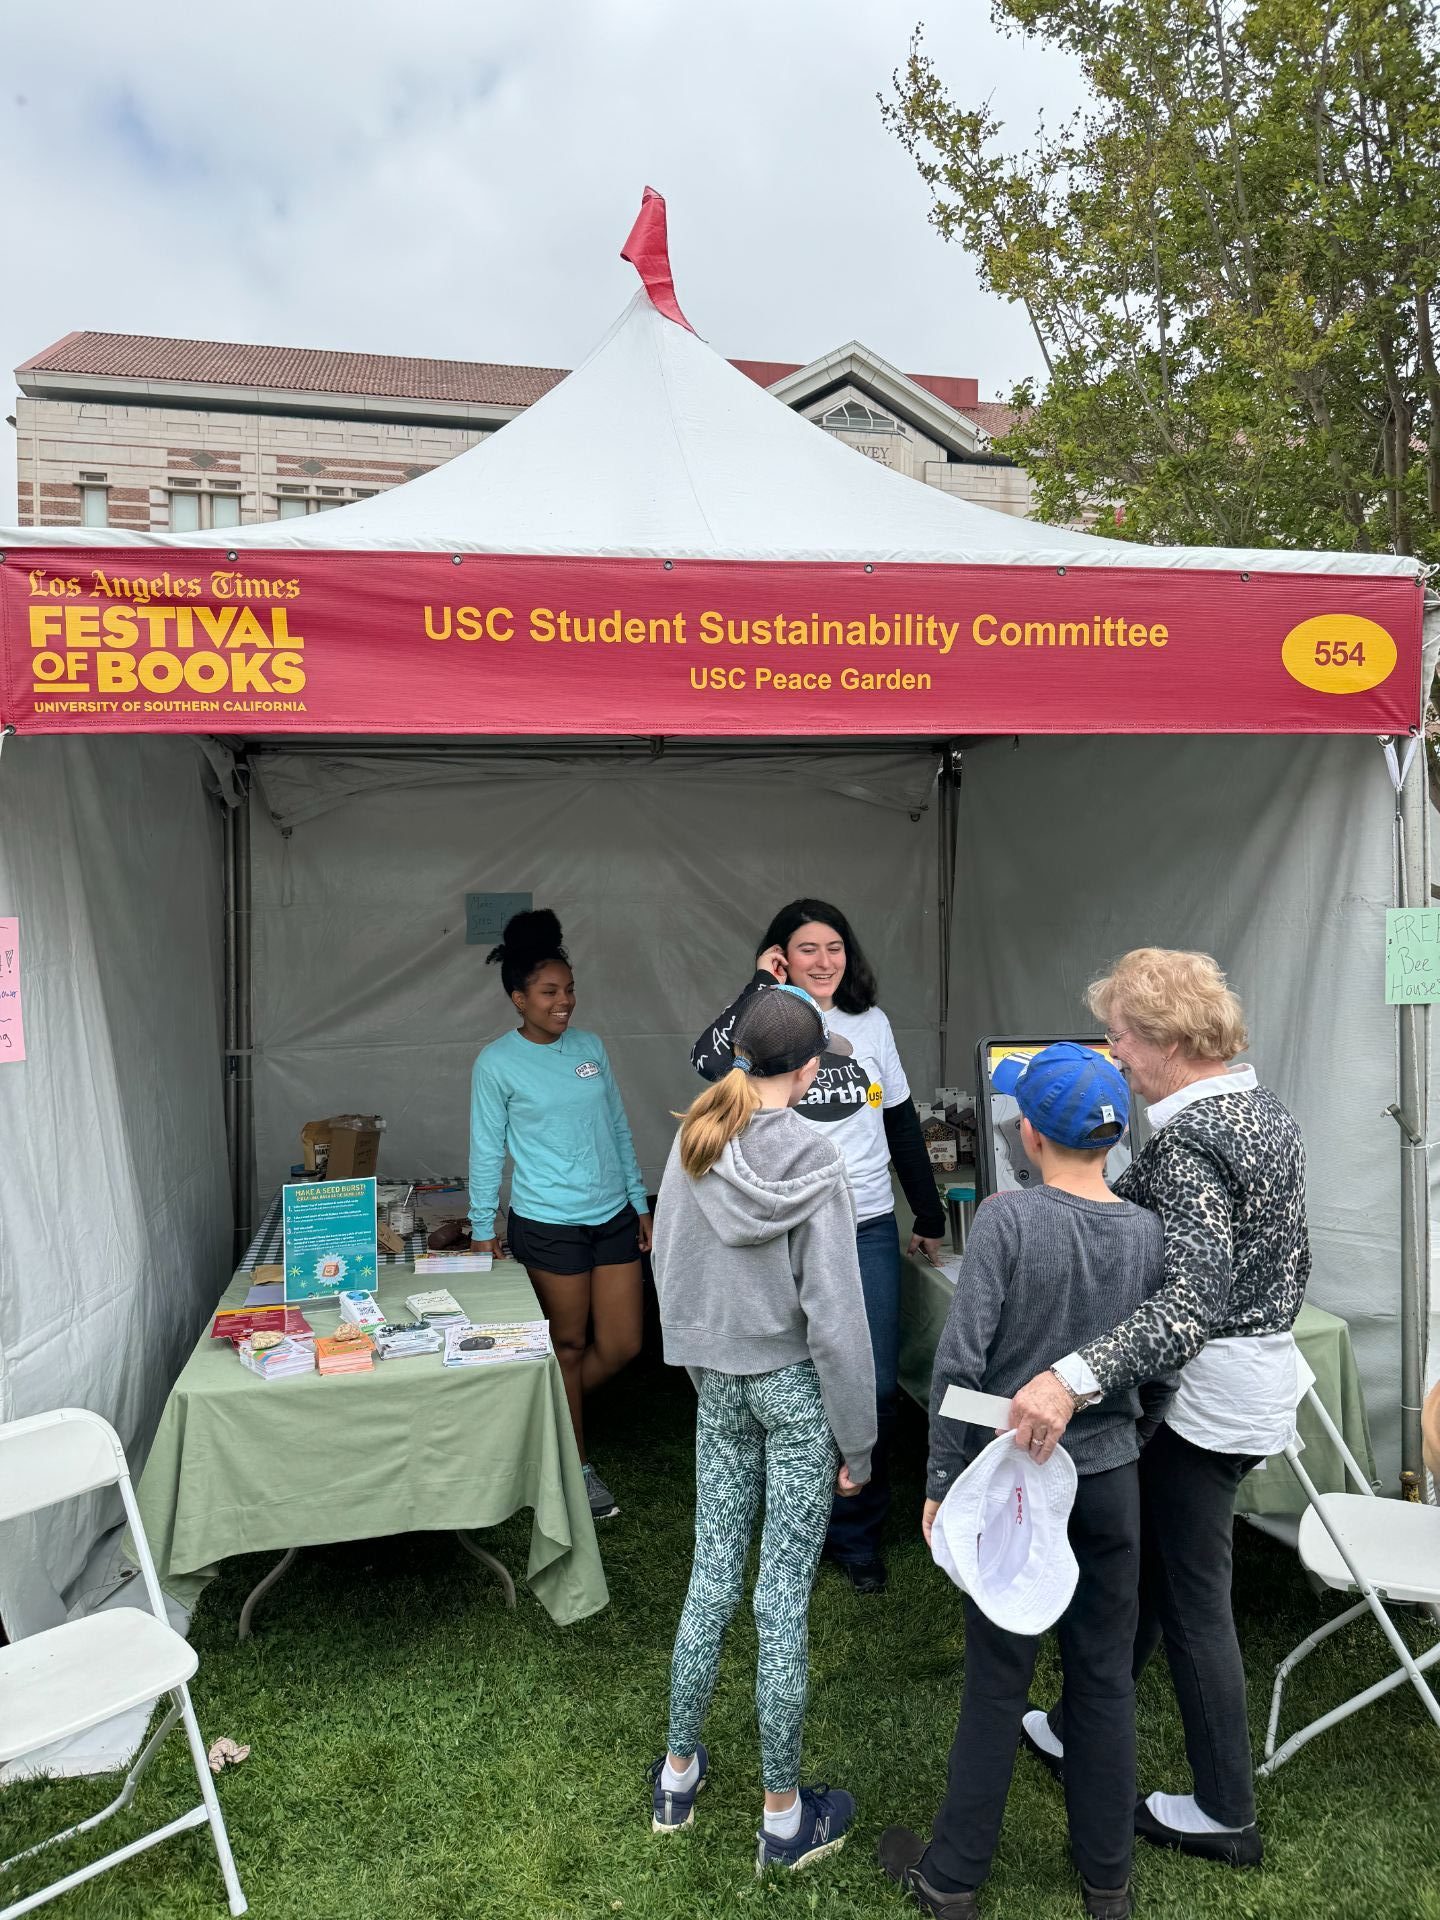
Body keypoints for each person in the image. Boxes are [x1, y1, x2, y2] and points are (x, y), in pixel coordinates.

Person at [1008, 949, 1309, 1869]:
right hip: (1255, 1377)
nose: (1116, 1053)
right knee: (1150, 1574)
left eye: (1124, 1037)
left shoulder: (1191, 1142)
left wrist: (1071, 1377)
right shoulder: (1260, 1110)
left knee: (1192, 1599)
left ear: (1171, 1042)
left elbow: (1186, 1305)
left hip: (1210, 1397)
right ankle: (1071, 1723)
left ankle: (1225, 1809)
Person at [878, 1044, 1164, 1920]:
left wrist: (939, 1479)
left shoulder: (1004, 1222)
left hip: (1013, 1485)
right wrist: (1123, 1437)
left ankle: (954, 1876)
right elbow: (1160, 1373)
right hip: (1110, 1482)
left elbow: (959, 1367)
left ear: (1028, 1135)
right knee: (1105, 1679)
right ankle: (1106, 1881)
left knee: (998, 1677)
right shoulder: (1149, 1233)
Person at [651, 985, 875, 1873]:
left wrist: (701, 1362)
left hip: (720, 1386)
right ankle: (783, 1818)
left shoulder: (696, 1132)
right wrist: (856, 1440)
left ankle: (677, 1777)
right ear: (812, 1069)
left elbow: (665, 1256)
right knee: (779, 1600)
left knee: (711, 1576)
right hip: (791, 1395)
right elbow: (838, 1318)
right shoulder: (817, 1157)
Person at [692, 898, 947, 1594]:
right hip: (779, 1226)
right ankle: (793, 1520)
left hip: (863, 1222)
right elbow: (706, 1064)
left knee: (871, 1384)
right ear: (780, 956)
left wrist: (927, 1210)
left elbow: (897, 1119)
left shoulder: (871, 1024)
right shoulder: (764, 1018)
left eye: (834, 947)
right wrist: (758, 987)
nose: (825, 961)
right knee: (789, 1379)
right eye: (807, 949)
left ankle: (855, 1531)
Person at [469, 908, 651, 1522]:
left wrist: (640, 1202)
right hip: (546, 1222)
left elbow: (618, 1129)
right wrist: (479, 1225)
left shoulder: (591, 1047)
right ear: (518, 999)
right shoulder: (497, 1063)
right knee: (567, 1346)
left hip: (613, 1218)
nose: (564, 1002)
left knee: (623, 1343)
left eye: (569, 989)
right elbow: (486, 1147)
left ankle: (542, 1415)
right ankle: (577, 1468)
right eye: (549, 993)